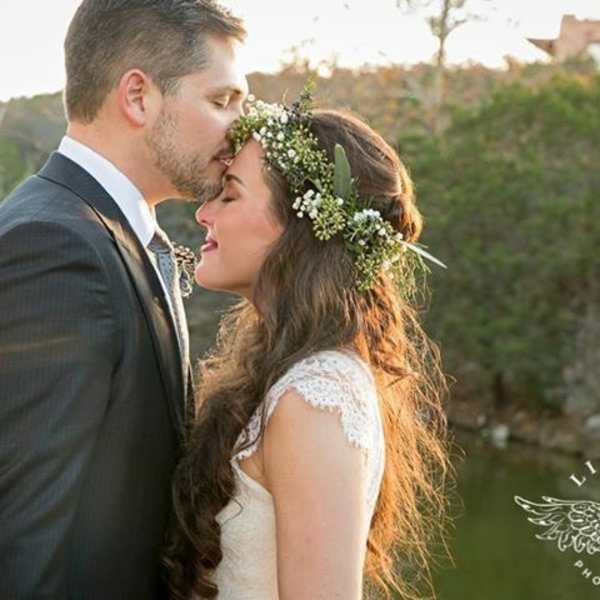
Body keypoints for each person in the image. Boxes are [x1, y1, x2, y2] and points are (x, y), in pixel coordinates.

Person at [163, 92, 456, 599]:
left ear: (299, 228)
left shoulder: (316, 399)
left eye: (229, 195)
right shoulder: (286, 373)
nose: (205, 213)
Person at [0, 1, 247, 598]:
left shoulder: (113, 232)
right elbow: (24, 540)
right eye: (221, 101)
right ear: (138, 96)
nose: (240, 130)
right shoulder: (54, 247)